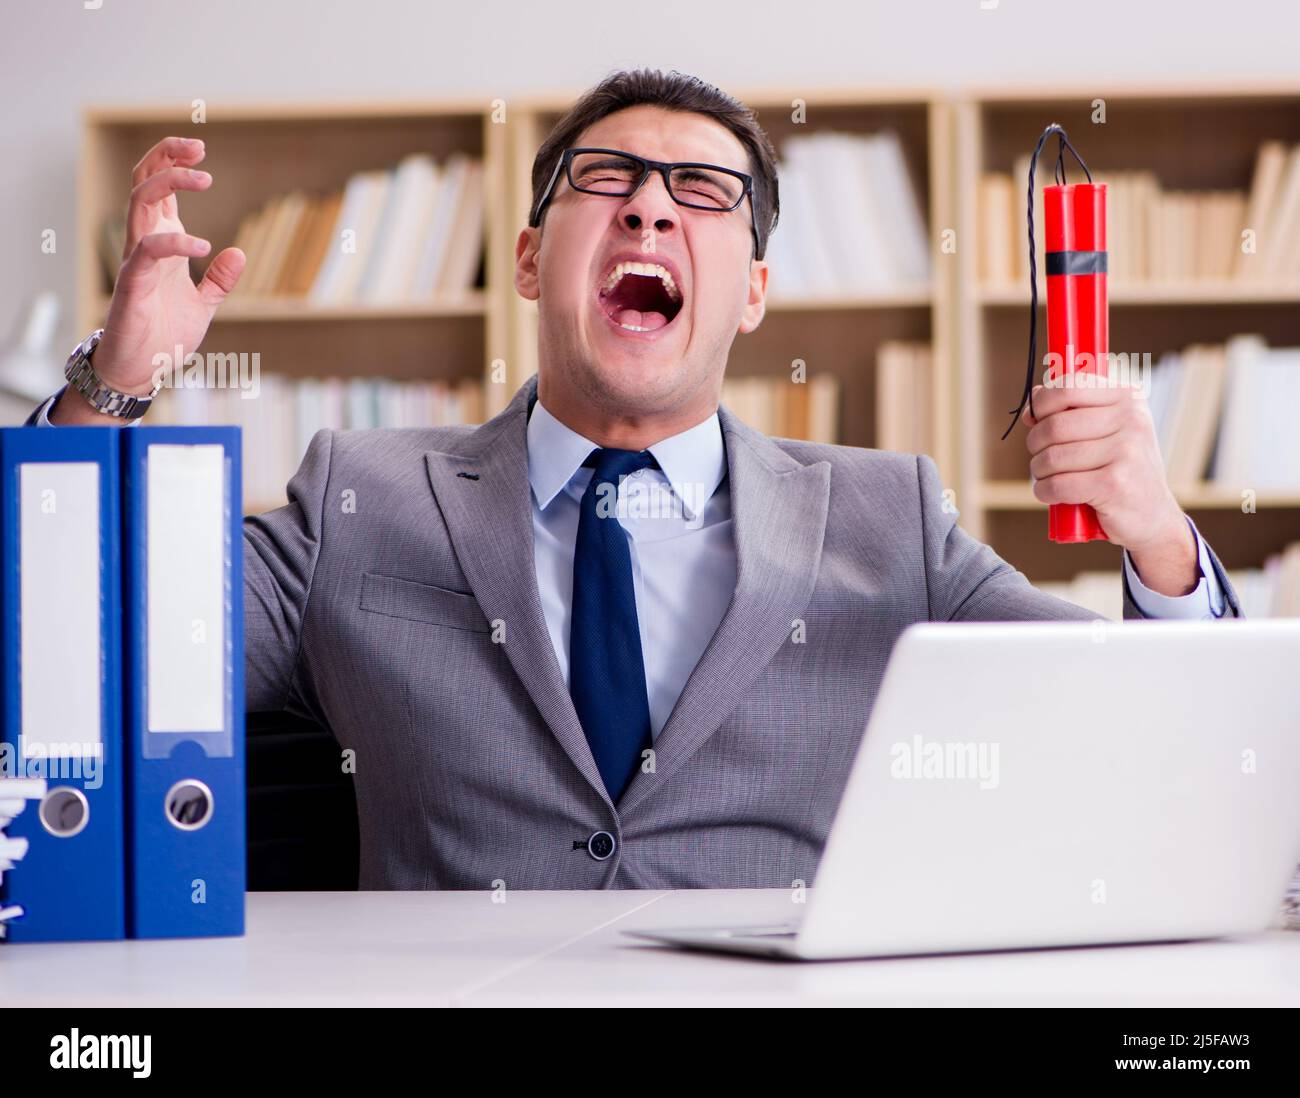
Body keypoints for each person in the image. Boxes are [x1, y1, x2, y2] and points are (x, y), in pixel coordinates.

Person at [31, 69, 1238, 890]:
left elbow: (1163, 748)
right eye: (605, 181)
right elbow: (68, 656)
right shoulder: (358, 497)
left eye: (704, 194)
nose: (652, 207)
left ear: (754, 294)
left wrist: (1160, 546)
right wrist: (112, 387)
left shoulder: (888, 519)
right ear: (526, 258)